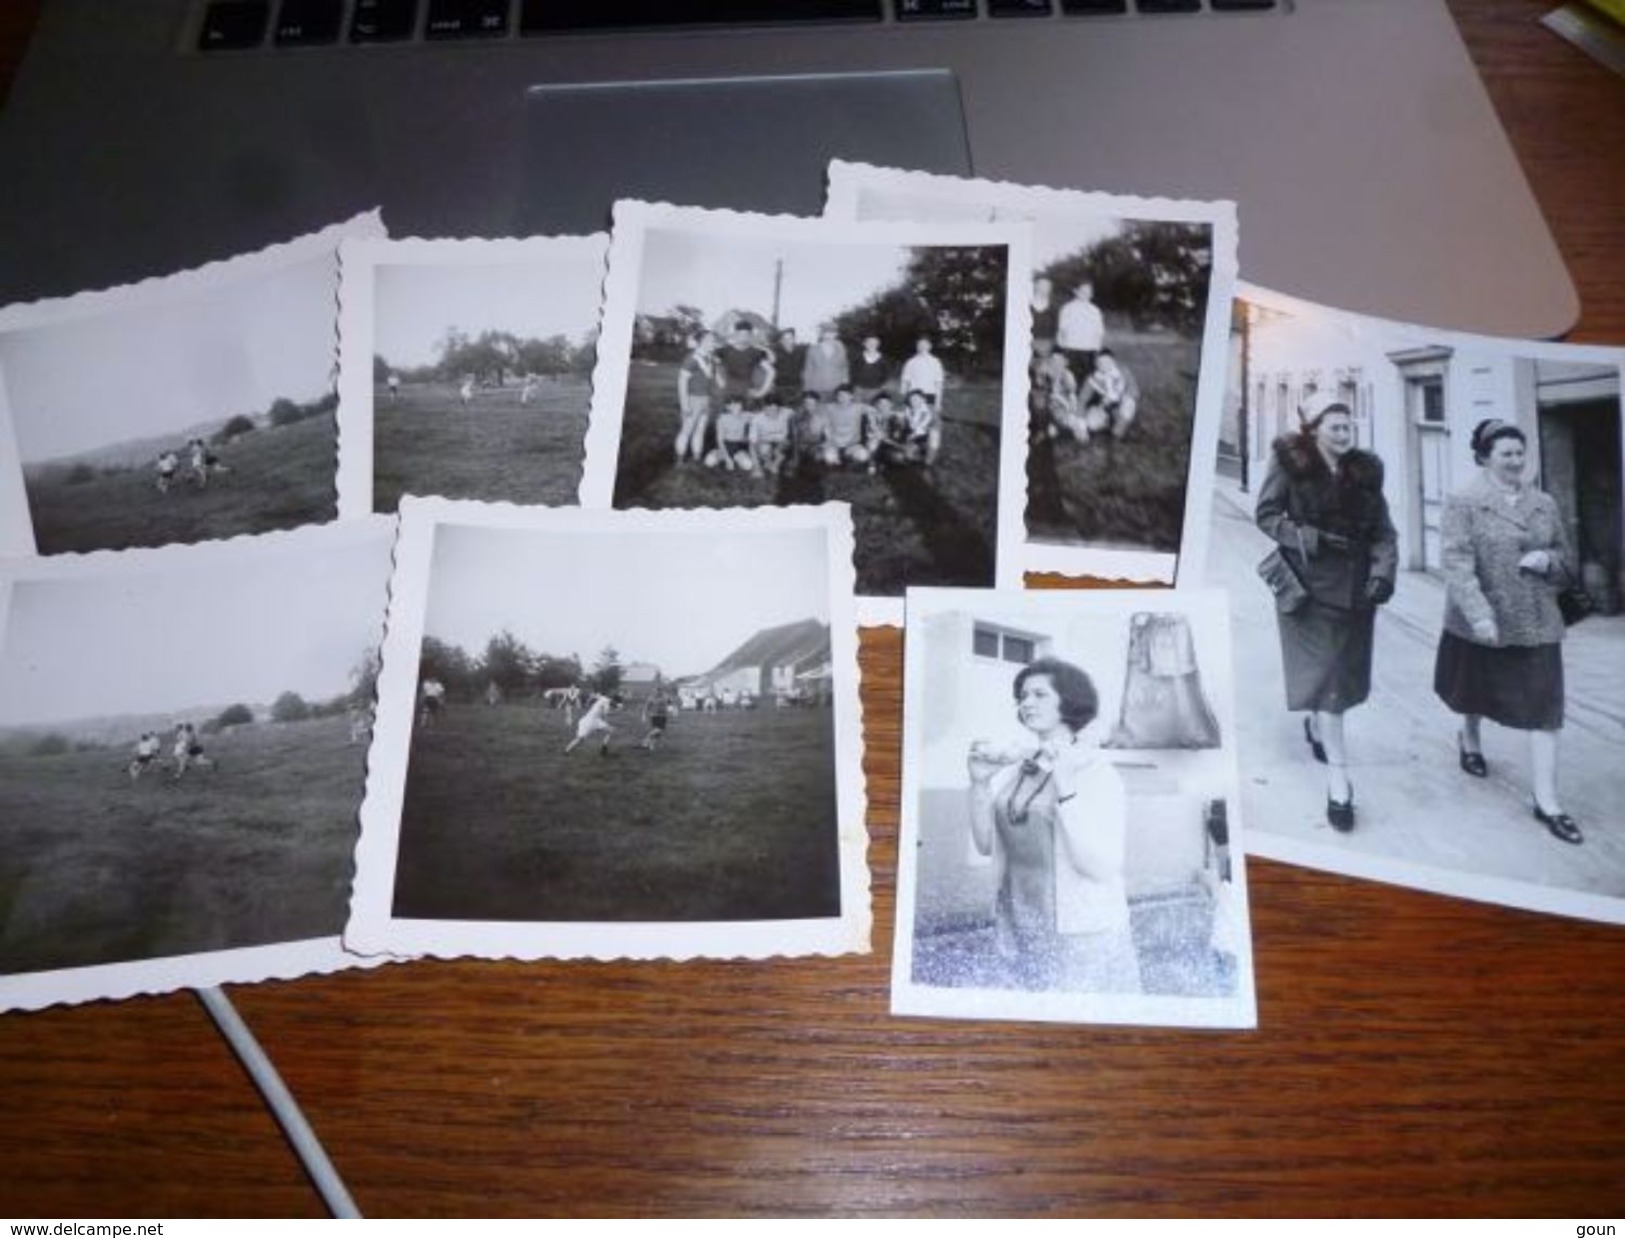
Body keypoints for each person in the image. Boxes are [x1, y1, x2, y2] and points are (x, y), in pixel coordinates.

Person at [1434, 418, 1583, 844]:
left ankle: (1548, 801)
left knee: (1545, 709)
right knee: (1474, 690)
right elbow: (1456, 563)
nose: (1516, 461)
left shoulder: (1545, 504)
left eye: (1520, 453)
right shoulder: (1463, 501)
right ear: (1485, 457)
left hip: (1538, 621)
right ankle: (1470, 738)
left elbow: (1565, 558)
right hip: (1484, 617)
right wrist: (1480, 614)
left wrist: (1548, 561)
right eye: (1506, 454)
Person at [1253, 393, 1397, 832]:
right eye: (1334, 426)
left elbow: (1384, 533)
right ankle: (1339, 781)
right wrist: (1309, 537)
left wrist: (1382, 573)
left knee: (1340, 678)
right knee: (1331, 680)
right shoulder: (1290, 463)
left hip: (1356, 594)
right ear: (1314, 429)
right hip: (1308, 590)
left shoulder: (1365, 471)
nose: (1343, 432)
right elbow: (1266, 515)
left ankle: (1317, 727)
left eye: (1347, 425)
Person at [966, 656, 1141, 994]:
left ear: (1069, 701)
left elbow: (1102, 866)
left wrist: (1067, 789)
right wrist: (979, 784)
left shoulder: (1096, 771)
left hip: (1079, 931)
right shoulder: (1021, 768)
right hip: (1019, 923)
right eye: (1023, 696)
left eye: (1039, 694)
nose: (1026, 702)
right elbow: (987, 844)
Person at [675, 331, 717, 465]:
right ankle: (680, 459)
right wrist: (684, 404)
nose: (713, 343)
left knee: (700, 429)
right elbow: (682, 382)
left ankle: (696, 456)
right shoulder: (692, 358)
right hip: (693, 398)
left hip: (705, 399)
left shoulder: (709, 358)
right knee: (687, 429)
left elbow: (709, 376)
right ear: (701, 342)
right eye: (710, 340)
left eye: (713, 340)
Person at [1079, 348, 1138, 440]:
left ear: (1113, 361)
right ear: (1096, 364)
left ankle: (1118, 431)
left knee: (1129, 403)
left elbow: (1134, 390)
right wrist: (1081, 425)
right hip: (1103, 406)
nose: (1104, 365)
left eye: (1107, 362)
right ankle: (1107, 423)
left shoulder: (1122, 371)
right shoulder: (1093, 378)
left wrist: (1120, 398)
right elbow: (1082, 399)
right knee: (1091, 424)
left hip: (1120, 403)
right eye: (1100, 363)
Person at [1056, 280, 1104, 389]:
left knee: (1088, 379)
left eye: (1088, 292)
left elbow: (1099, 333)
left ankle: (1084, 402)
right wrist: (1062, 351)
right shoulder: (1067, 308)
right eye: (1083, 291)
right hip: (1071, 349)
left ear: (1091, 294)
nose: (1086, 294)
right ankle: (1070, 402)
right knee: (1070, 379)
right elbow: (1062, 331)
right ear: (1076, 292)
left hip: (1090, 350)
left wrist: (1097, 350)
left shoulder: (1095, 311)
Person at [713, 320, 774, 405]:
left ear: (750, 336)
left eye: (746, 335)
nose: (743, 338)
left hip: (747, 394)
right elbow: (712, 365)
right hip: (728, 394)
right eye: (741, 334)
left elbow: (771, 371)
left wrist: (762, 392)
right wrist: (720, 382)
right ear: (736, 334)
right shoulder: (723, 351)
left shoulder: (755, 352)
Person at [819, 385, 878, 468]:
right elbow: (818, 412)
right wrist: (826, 438)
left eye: (845, 395)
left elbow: (874, 411)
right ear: (836, 396)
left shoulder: (858, 407)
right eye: (839, 395)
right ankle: (837, 466)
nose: (842, 398)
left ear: (851, 396)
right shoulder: (829, 407)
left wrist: (873, 425)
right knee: (829, 458)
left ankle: (850, 467)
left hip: (852, 445)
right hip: (834, 444)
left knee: (863, 456)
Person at [704, 395, 756, 472]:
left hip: (738, 447)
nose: (736, 407)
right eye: (732, 405)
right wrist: (727, 458)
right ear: (727, 407)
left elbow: (761, 415)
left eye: (738, 404)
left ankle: (735, 459)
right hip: (724, 446)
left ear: (742, 405)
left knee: (748, 465)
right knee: (709, 462)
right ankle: (725, 459)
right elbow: (720, 440)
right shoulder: (722, 419)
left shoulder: (745, 416)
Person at [898, 336, 946, 416]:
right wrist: (904, 400)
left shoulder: (936, 362)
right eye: (920, 345)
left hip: (930, 395)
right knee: (913, 420)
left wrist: (938, 402)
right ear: (917, 347)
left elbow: (939, 384)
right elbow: (905, 382)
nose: (922, 347)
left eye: (925, 344)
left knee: (929, 420)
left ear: (930, 346)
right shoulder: (911, 362)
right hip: (913, 396)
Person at [801, 323, 850, 401]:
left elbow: (844, 368)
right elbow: (808, 370)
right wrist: (807, 388)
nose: (829, 336)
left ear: (836, 335)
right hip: (817, 388)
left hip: (836, 388)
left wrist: (845, 387)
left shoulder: (841, 349)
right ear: (822, 335)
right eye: (826, 333)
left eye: (832, 333)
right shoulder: (813, 349)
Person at [749, 397, 793, 477]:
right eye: (769, 410)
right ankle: (765, 463)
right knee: (764, 449)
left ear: (779, 408)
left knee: (786, 444)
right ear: (764, 408)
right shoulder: (757, 419)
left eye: (775, 410)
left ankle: (775, 464)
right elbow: (753, 439)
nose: (773, 413)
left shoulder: (784, 415)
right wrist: (767, 439)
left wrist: (770, 437)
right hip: (764, 442)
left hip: (778, 442)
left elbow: (784, 435)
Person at [851, 334, 890, 404]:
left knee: (872, 410)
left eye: (874, 343)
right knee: (858, 409)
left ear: (878, 344)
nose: (871, 345)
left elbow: (886, 374)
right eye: (869, 342)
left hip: (875, 389)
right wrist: (855, 385)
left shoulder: (883, 359)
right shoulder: (857, 357)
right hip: (859, 389)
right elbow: (852, 371)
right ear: (864, 344)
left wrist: (880, 386)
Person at [771, 328, 805, 406]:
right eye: (784, 339)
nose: (787, 341)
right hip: (780, 388)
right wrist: (768, 352)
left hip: (796, 387)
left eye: (790, 338)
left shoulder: (800, 351)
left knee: (796, 411)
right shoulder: (775, 351)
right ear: (781, 340)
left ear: (794, 339)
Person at [1029, 274, 1060, 350]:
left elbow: (1057, 331)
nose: (1045, 288)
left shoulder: (1055, 308)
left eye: (1048, 286)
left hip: (1047, 347)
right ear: (1035, 286)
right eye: (1042, 285)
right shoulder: (1024, 306)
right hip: (1025, 345)